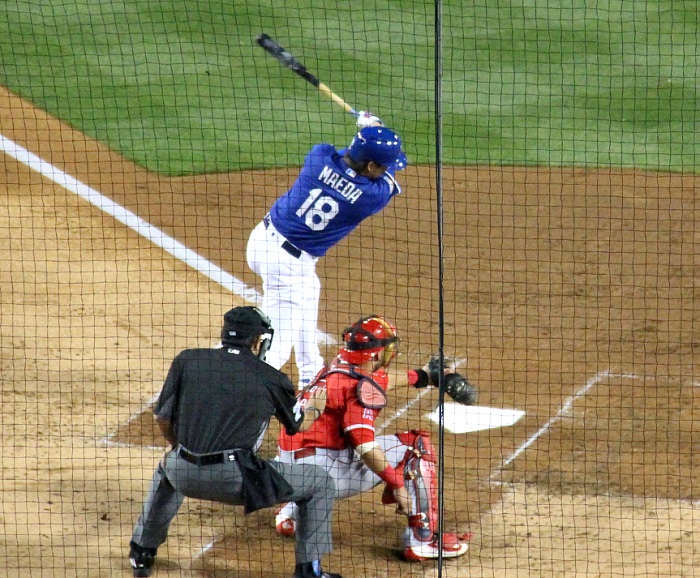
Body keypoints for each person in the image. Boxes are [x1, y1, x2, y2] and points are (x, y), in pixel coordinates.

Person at [128, 306, 342, 578]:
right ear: (257, 340)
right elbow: (296, 428)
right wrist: (315, 407)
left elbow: (161, 416)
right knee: (319, 481)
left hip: (182, 471)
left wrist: (176, 447)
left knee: (166, 470)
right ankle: (309, 571)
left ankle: (141, 553)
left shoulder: (188, 360)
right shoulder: (272, 378)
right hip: (235, 482)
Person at [273, 315, 472, 562]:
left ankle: (292, 514)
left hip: (284, 472)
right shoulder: (359, 387)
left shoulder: (336, 367)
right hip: (319, 477)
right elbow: (364, 445)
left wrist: (425, 376)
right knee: (415, 446)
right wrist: (397, 484)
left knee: (324, 444)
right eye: (388, 348)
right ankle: (423, 539)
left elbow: (378, 380)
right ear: (376, 355)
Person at [246, 113, 408, 389]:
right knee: (276, 349)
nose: (386, 169)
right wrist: (374, 126)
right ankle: (240, 398)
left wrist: (366, 135)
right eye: (382, 165)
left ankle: (312, 371)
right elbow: (385, 180)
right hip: (287, 266)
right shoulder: (371, 197)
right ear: (370, 165)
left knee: (310, 290)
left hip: (261, 240)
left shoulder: (318, 157)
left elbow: (344, 157)